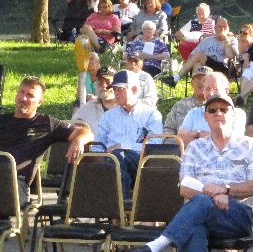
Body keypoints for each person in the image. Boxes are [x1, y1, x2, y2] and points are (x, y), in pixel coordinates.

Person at [128, 91, 253, 252]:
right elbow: (184, 188)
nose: (218, 114)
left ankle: (157, 245)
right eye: (212, 110)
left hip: (238, 215)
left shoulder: (250, 146)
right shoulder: (195, 148)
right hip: (202, 212)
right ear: (205, 116)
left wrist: (226, 190)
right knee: (197, 224)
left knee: (200, 204)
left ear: (233, 115)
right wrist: (212, 194)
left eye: (224, 109)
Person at [1, 76, 91, 206]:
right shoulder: (3, 120)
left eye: (30, 95)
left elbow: (85, 132)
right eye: (21, 92)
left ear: (40, 102)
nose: (23, 98)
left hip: (15, 183)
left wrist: (78, 141)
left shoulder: (47, 123)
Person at [96, 70, 163, 194]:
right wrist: (105, 153)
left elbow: (154, 146)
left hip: (141, 164)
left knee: (117, 155)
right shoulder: (108, 116)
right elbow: (97, 147)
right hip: (110, 162)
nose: (116, 93)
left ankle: (120, 203)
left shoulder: (151, 115)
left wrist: (122, 147)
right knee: (109, 159)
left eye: (120, 89)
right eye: (114, 89)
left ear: (135, 90)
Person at [178, 71, 247, 145]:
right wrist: (200, 134)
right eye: (207, 89)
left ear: (226, 91)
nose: (211, 93)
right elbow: (181, 138)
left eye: (216, 89)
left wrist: (200, 136)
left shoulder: (237, 114)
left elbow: (234, 140)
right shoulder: (194, 113)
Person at [167, 17, 237, 85]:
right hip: (205, 66)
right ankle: (199, 90)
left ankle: (176, 77)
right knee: (197, 63)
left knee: (199, 55)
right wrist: (195, 61)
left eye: (225, 27)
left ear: (228, 29)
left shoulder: (232, 40)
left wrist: (226, 40)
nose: (222, 29)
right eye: (219, 26)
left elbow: (230, 56)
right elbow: (192, 55)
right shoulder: (207, 40)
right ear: (215, 28)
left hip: (222, 67)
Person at [163, 66, 211, 135]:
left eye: (205, 80)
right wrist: (177, 145)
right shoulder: (180, 105)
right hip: (181, 144)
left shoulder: (217, 108)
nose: (201, 82)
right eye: (197, 79)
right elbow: (168, 129)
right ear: (192, 83)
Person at [72, 69, 117, 135]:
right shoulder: (86, 109)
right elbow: (73, 129)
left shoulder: (126, 107)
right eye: (100, 82)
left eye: (108, 82)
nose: (104, 86)